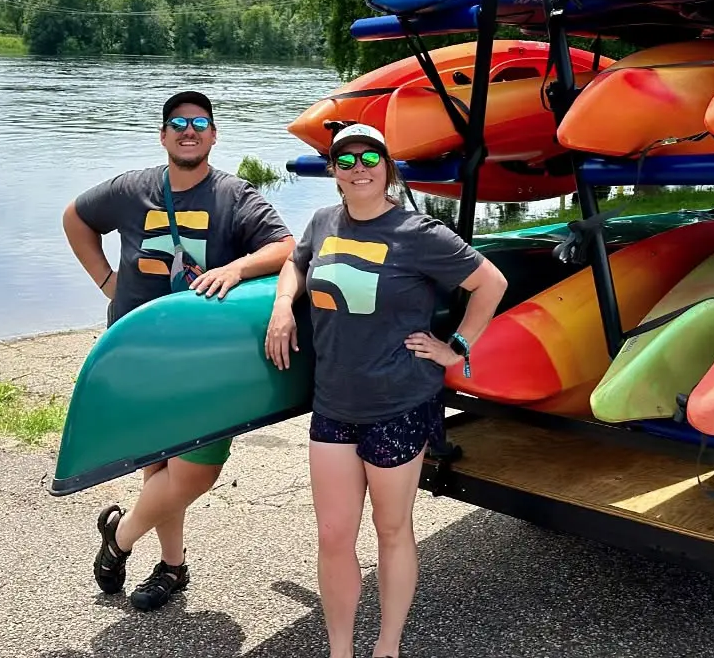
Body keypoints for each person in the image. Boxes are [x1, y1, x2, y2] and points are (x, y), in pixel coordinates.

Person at [264, 123, 508, 658]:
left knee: (391, 528)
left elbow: (490, 282)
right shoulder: (323, 221)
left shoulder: (418, 233)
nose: (358, 167)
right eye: (345, 160)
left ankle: (388, 646)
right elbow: (296, 261)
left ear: (388, 167)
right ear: (333, 172)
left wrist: (456, 347)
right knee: (333, 535)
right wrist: (284, 305)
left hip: (399, 403)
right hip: (334, 406)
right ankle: (340, 650)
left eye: (369, 157)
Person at [62, 89, 295, 611]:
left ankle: (119, 538)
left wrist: (236, 268)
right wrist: (105, 280)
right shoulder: (131, 189)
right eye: (177, 123)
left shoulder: (235, 195)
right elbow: (74, 218)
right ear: (163, 134)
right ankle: (172, 567)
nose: (188, 131)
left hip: (201, 358)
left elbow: (286, 247)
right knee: (159, 466)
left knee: (199, 469)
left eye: (199, 123)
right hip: (137, 349)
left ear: (213, 135)